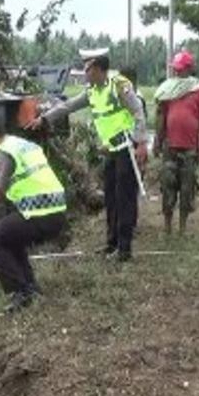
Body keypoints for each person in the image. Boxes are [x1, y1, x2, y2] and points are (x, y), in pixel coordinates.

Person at [29, 50, 148, 262]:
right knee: (110, 198)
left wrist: (141, 143)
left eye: (88, 68)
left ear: (100, 69)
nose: (85, 73)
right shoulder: (92, 91)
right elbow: (68, 106)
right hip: (110, 150)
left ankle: (124, 249)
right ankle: (111, 244)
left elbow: (138, 111)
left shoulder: (118, 85)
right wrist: (44, 119)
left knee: (124, 199)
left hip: (126, 148)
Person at [0, 122, 67, 312]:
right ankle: (30, 288)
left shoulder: (4, 152)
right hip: (57, 211)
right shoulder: (22, 144)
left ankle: (21, 292)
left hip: (40, 213)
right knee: (12, 237)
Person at [153, 50, 199, 234]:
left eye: (180, 69)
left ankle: (183, 228)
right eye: (175, 69)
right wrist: (157, 140)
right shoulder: (167, 90)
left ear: (189, 69)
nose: (177, 73)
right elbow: (161, 116)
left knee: (187, 188)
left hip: (190, 149)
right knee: (167, 186)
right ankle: (167, 227)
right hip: (170, 146)